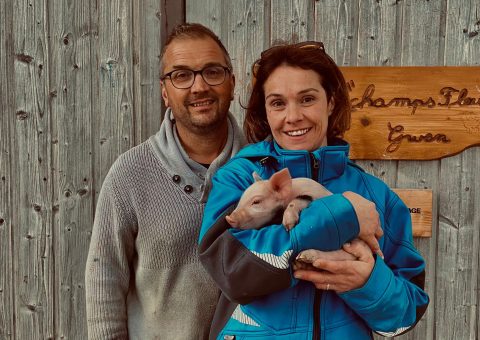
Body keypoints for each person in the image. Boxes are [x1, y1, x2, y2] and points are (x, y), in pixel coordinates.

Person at [198, 41, 429, 339]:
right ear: (265, 111)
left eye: (307, 99)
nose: (293, 116)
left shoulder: (376, 195)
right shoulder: (239, 179)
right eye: (278, 103)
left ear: (330, 101)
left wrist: (368, 283)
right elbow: (231, 270)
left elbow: (405, 314)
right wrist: (341, 215)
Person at [85, 23, 246, 339]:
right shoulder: (130, 174)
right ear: (164, 91)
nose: (199, 87)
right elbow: (104, 275)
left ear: (232, 82)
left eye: (212, 71)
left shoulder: (263, 168)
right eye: (181, 75)